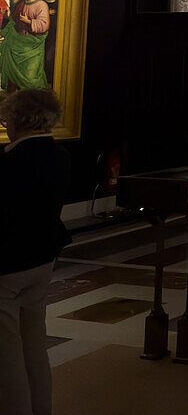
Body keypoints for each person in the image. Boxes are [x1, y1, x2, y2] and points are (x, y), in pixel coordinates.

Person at [0, 88, 70, 415]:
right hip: (44, 260)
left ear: (19, 119)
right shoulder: (59, 156)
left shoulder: (10, 162)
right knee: (34, 347)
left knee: (7, 357)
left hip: (8, 265)